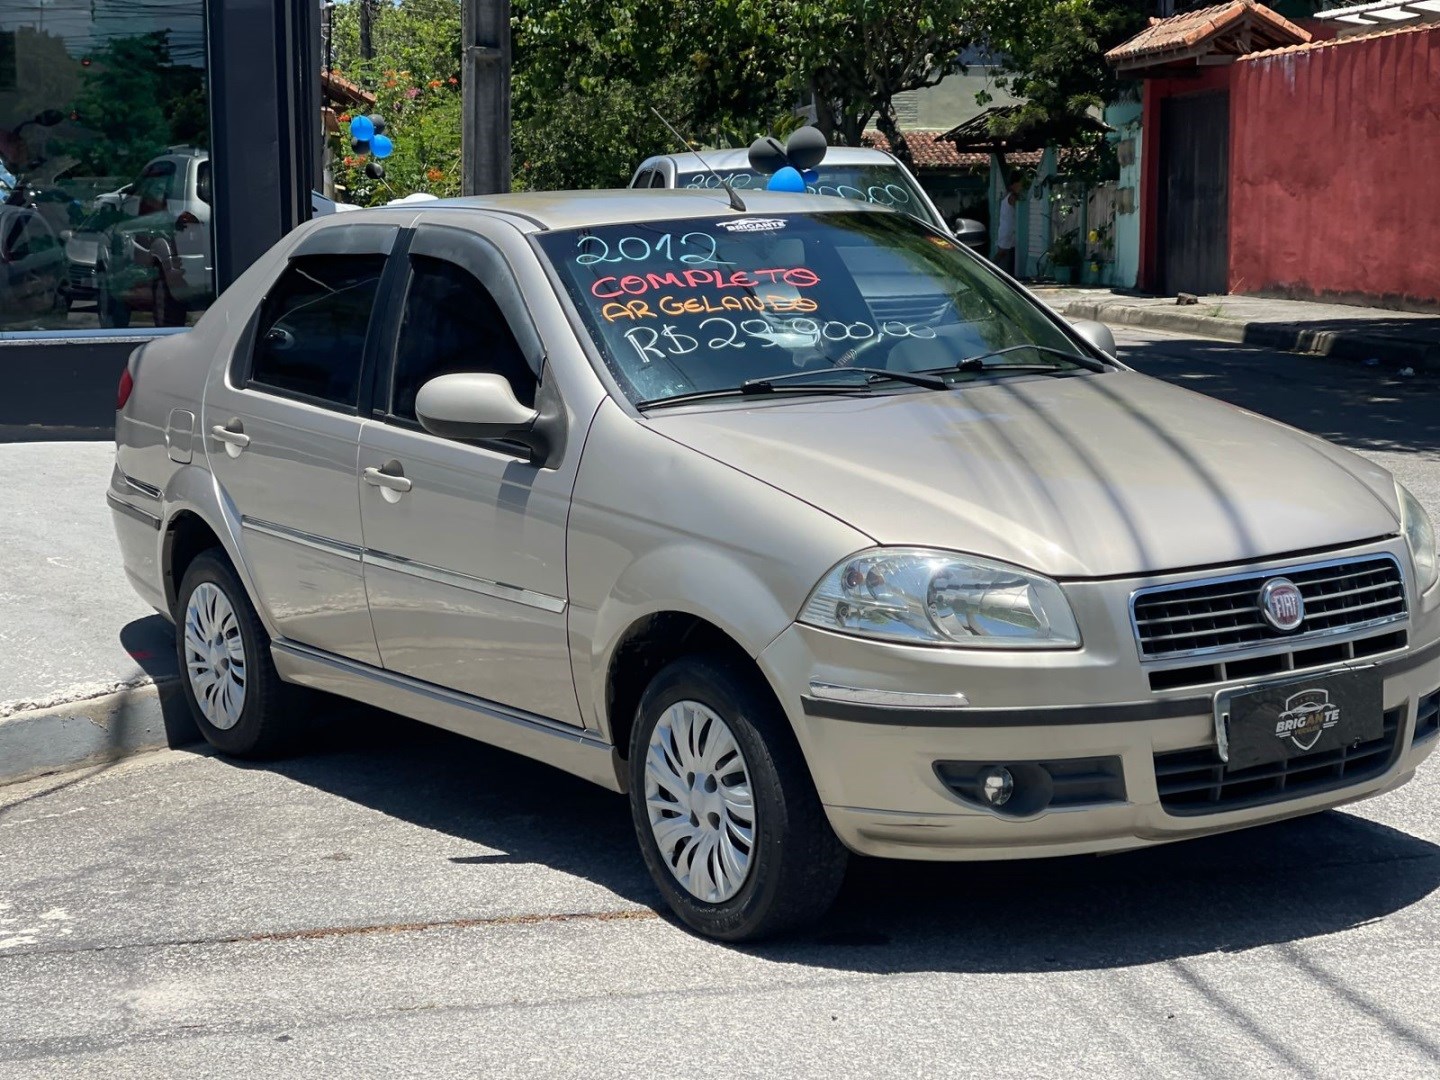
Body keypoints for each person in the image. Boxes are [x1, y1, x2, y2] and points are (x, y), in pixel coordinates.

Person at [994, 178, 1021, 275]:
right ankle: (990, 268)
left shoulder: (1007, 196)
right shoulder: (1012, 197)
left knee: (1005, 253)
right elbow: (1019, 206)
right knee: (1002, 253)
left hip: (1007, 229)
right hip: (1008, 230)